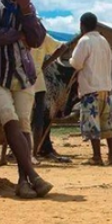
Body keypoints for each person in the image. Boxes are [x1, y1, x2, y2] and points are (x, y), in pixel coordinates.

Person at [0, 0, 53, 198]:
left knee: (24, 124)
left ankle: (23, 181)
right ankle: (33, 175)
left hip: (22, 75)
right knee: (8, 117)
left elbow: (38, 39)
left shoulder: (26, 4)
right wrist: (16, 35)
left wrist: (26, 10)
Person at [69, 12, 112, 165]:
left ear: (82, 26)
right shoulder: (104, 41)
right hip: (105, 88)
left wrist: (70, 60)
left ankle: (97, 157)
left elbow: (76, 63)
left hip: (90, 89)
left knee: (92, 124)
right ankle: (111, 156)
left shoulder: (84, 41)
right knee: (107, 123)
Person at [30, 33, 71, 162]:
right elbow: (63, 47)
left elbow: (63, 47)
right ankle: (35, 153)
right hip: (39, 82)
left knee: (24, 119)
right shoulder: (42, 36)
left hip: (22, 83)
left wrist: (45, 64)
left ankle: (30, 152)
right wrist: (45, 64)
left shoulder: (17, 34)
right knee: (38, 119)